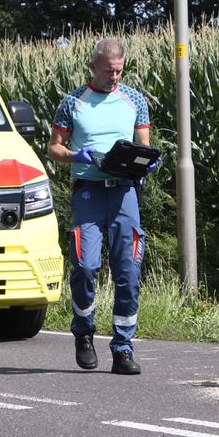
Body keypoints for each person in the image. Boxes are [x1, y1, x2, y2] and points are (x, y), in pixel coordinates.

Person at [48, 38, 153, 375]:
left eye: (119, 71)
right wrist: (76, 155)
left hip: (124, 193)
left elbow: (144, 145)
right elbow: (54, 148)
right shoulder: (72, 103)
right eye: (109, 71)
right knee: (85, 265)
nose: (114, 77)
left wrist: (147, 164)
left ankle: (123, 347)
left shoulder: (134, 99)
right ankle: (83, 332)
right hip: (89, 192)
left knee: (128, 271)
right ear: (93, 67)